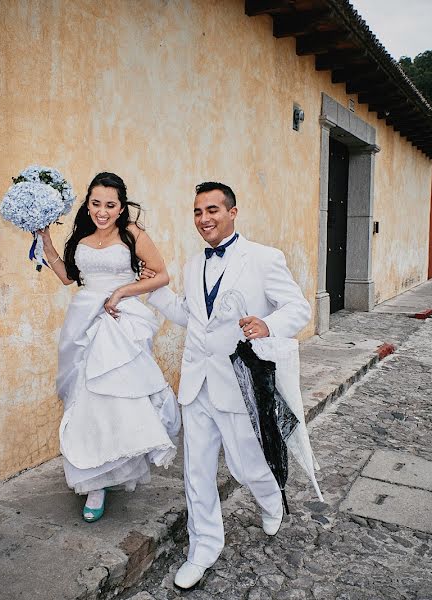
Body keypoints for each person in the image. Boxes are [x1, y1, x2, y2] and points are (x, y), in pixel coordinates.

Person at [145, 182, 311, 590]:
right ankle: (202, 548)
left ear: (233, 212)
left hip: (238, 383)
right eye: (198, 211)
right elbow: (189, 315)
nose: (204, 219)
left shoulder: (264, 258)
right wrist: (156, 290)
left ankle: (271, 498)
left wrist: (267, 324)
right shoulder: (191, 263)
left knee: (246, 464)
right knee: (196, 473)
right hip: (196, 384)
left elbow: (299, 308)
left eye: (213, 210)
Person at [38, 172, 180, 522]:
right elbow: (69, 277)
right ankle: (95, 479)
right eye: (96, 203)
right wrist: (47, 244)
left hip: (119, 320)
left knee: (117, 398)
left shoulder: (132, 234)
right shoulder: (81, 237)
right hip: (84, 320)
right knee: (86, 399)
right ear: (88, 204)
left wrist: (121, 291)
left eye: (110, 205)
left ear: (121, 207)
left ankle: (112, 470)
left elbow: (161, 274)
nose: (102, 211)